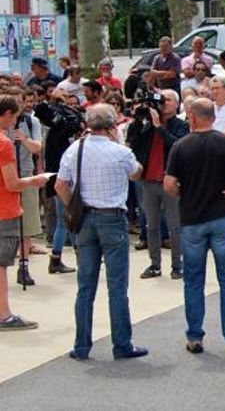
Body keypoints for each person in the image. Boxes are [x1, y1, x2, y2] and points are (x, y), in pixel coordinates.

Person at [164, 98, 225, 356]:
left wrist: (184, 193)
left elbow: (168, 184)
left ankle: (195, 337)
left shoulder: (180, 146)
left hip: (193, 219)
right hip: (222, 215)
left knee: (193, 280)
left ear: (194, 117)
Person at [54, 104, 147, 359]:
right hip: (112, 217)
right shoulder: (119, 151)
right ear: (112, 126)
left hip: (84, 217)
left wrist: (73, 206)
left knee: (85, 286)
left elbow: (61, 184)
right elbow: (138, 174)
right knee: (117, 286)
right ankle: (122, 343)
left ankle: (82, 345)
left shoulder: (75, 149)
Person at [127, 89, 189, 280]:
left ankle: (178, 265)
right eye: (162, 100)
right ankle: (155, 265)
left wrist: (159, 126)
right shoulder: (148, 124)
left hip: (169, 181)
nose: (164, 103)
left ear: (176, 104)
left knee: (174, 225)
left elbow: (178, 146)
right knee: (151, 225)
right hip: (148, 180)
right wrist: (138, 120)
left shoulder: (180, 125)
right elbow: (135, 144)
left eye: (168, 100)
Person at [0, 96, 49, 331]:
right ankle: (4, 315)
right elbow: (12, 183)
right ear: (8, 114)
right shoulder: (4, 143)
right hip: (4, 210)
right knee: (0, 265)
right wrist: (35, 180)